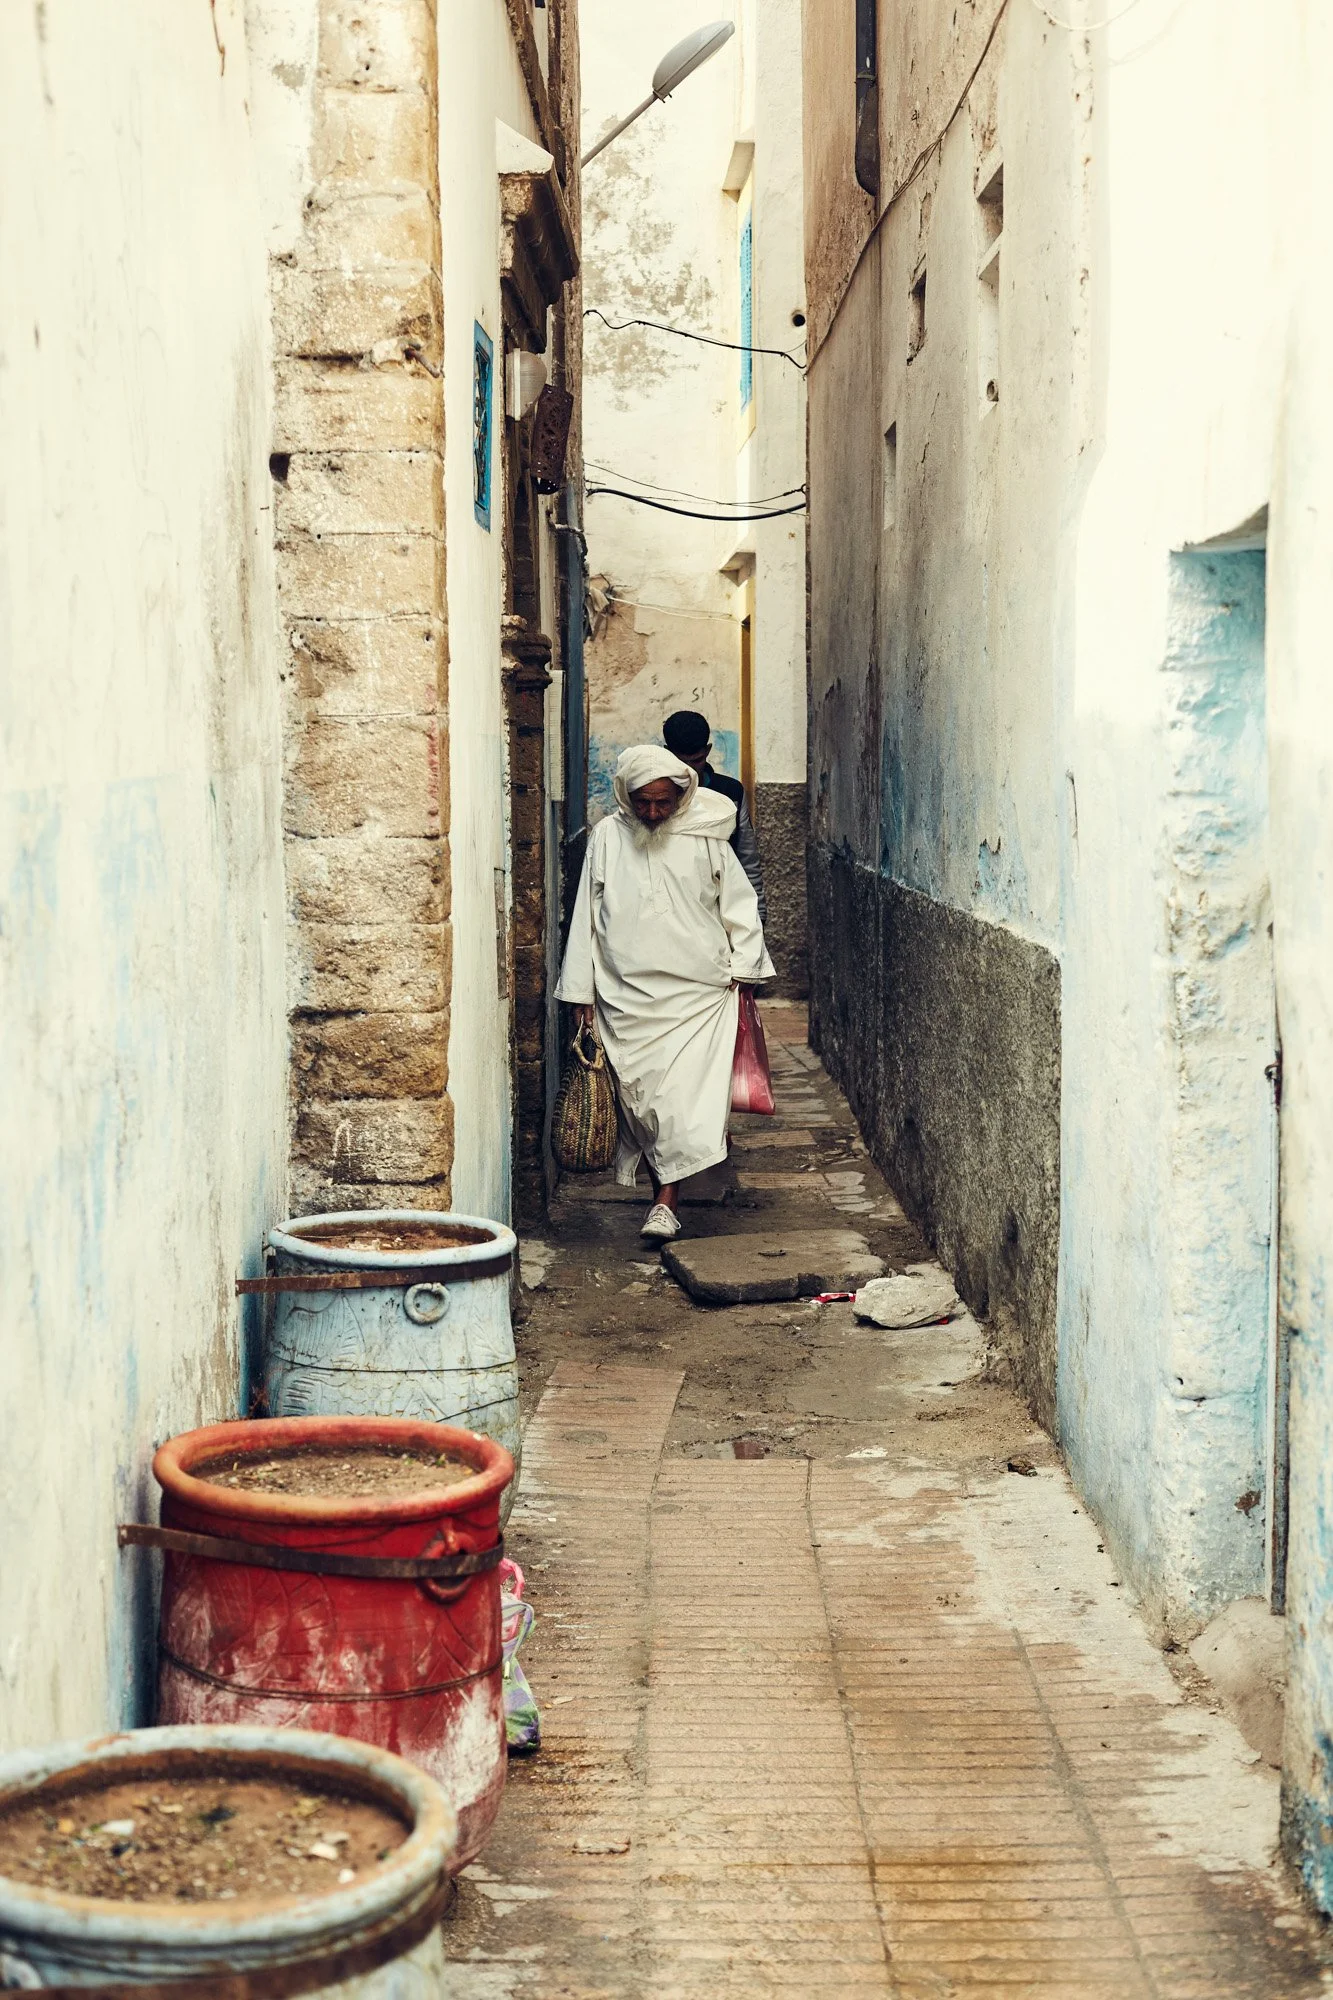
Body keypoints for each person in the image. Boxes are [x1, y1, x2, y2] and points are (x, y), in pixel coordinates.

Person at [556, 744, 774, 1242]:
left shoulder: (707, 835)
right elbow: (586, 919)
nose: (653, 812)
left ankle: (664, 1202)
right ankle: (665, 1191)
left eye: (663, 802)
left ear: (682, 794)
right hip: (624, 996)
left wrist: (745, 967)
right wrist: (580, 994)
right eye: (643, 802)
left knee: (679, 1103)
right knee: (641, 1105)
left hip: (698, 996)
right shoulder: (608, 837)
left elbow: (738, 903)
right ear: (626, 795)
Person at [662, 709, 767, 923]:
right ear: (666, 753)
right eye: (681, 763)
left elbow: (746, 857)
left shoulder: (730, 792)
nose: (689, 771)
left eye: (697, 761)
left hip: (720, 909)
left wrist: (758, 915)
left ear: (708, 751)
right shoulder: (658, 797)